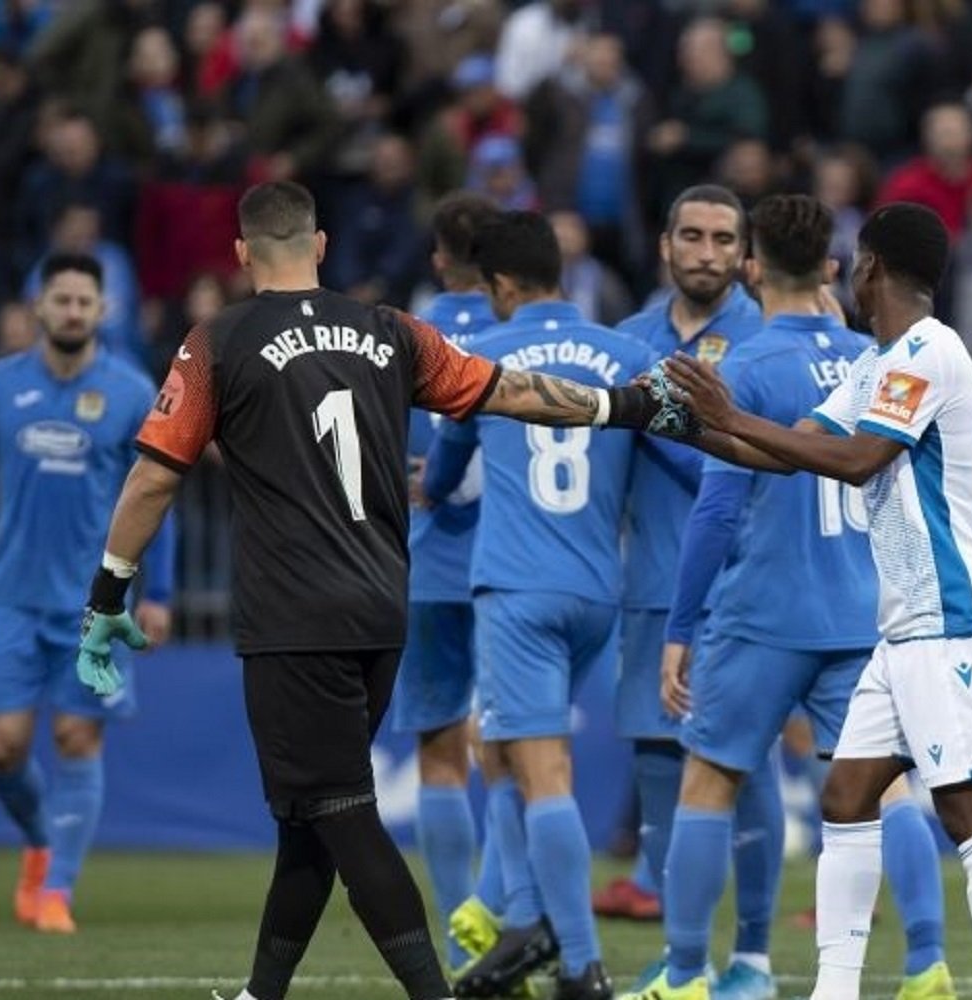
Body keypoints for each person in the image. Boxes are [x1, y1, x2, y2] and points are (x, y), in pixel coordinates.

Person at [73, 182, 682, 1000]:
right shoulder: (390, 331)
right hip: (378, 609)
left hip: (293, 617)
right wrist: (625, 403)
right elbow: (510, 389)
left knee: (342, 815)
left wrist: (109, 593)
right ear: (320, 246)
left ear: (243, 254)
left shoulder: (217, 341)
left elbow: (154, 479)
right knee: (309, 821)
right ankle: (261, 993)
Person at [664, 202, 972, 1000]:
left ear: (869, 267)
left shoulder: (929, 354)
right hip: (901, 625)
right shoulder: (878, 360)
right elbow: (783, 449)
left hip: (952, 614)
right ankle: (835, 987)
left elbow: (859, 459)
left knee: (967, 808)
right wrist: (678, 420)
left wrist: (730, 412)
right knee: (845, 795)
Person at [627, 194, 957, 1000]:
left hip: (763, 612)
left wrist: (680, 627)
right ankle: (925, 965)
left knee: (709, 782)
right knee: (890, 787)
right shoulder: (878, 359)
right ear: (833, 269)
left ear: (751, 267)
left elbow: (715, 508)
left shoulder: (742, 368)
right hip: (860, 610)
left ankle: (682, 975)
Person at [0, 252, 174, 934]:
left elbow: (155, 493)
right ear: (38, 308)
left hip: (96, 603)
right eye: (63, 300)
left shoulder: (132, 390)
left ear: (102, 311)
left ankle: (56, 891)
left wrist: (159, 591)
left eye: (85, 301)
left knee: (78, 738)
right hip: (13, 596)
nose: (74, 311)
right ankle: (41, 841)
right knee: (5, 750)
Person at [427, 210, 658, 1000]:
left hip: (518, 589)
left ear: (499, 284)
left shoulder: (483, 356)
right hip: (599, 587)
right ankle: (524, 914)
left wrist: (433, 496)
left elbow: (444, 474)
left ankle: (580, 964)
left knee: (539, 770)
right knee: (503, 755)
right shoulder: (629, 354)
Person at [603, 184, 775, 949]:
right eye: (693, 236)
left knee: (746, 760)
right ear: (666, 244)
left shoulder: (768, 338)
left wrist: (659, 420)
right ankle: (673, 927)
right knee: (655, 751)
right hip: (651, 587)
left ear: (744, 255)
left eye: (722, 240)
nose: (707, 253)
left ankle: (755, 941)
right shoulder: (625, 338)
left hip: (746, 590)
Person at [390, 192, 502, 974]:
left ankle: (458, 913)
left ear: (438, 258)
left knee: (437, 748)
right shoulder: (517, 331)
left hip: (428, 563)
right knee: (512, 748)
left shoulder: (399, 335)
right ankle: (501, 909)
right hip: (510, 564)